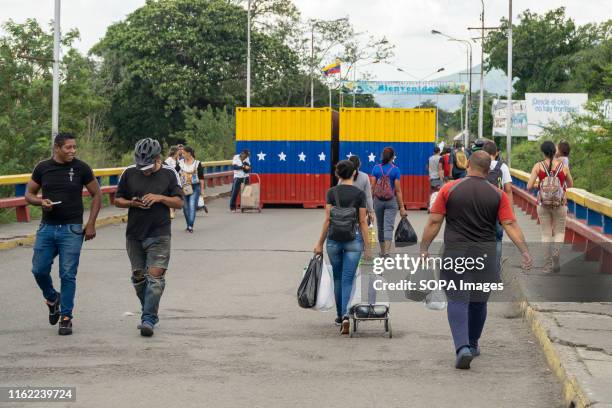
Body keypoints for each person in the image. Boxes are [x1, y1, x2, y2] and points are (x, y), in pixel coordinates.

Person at [420, 151, 532, 369]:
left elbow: (434, 221)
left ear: (468, 165)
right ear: (489, 170)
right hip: (485, 254)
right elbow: (510, 224)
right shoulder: (498, 194)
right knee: (479, 301)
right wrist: (525, 250)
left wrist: (424, 248)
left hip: (455, 252)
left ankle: (462, 347)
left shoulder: (449, 188)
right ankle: (472, 344)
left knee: (458, 299)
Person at [25, 132, 102, 335]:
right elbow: (29, 194)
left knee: (68, 274)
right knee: (38, 270)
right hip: (47, 228)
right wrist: (40, 202)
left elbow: (97, 193)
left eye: (74, 147)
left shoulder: (81, 168)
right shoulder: (42, 168)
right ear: (57, 148)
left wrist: (91, 223)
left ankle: (66, 317)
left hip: (72, 229)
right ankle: (52, 298)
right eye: (68, 147)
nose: (73, 151)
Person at [114, 138, 184, 337]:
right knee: (139, 277)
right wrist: (132, 203)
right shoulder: (128, 173)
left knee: (155, 277)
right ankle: (150, 311)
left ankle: (148, 319)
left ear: (158, 159)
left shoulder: (170, 173)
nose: (144, 171)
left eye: (147, 167)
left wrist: (160, 198)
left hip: (159, 233)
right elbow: (118, 200)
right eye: (140, 166)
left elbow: (179, 203)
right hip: (134, 234)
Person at [314, 160, 371, 334]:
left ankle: (339, 316)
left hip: (333, 240)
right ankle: (347, 314)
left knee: (337, 278)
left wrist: (319, 243)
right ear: (354, 173)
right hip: (353, 240)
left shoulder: (331, 192)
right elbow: (362, 222)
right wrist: (368, 248)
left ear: (337, 174)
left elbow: (328, 220)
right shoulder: (360, 194)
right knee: (348, 279)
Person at [527, 140, 573, 273]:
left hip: (543, 204)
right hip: (561, 203)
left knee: (546, 233)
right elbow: (570, 184)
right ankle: (556, 254)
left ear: (543, 152)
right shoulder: (563, 166)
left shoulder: (538, 166)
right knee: (559, 232)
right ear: (555, 151)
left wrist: (542, 185)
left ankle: (547, 265)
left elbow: (529, 186)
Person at [483, 140, 514, 274]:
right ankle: (495, 273)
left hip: (481, 209)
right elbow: (508, 190)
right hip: (498, 209)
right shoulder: (503, 167)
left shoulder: (480, 165)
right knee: (497, 239)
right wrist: (510, 212)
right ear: (496, 153)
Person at [371, 147, 407, 257]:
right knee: (388, 226)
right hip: (391, 201)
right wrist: (402, 207)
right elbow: (398, 190)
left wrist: (369, 206)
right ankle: (386, 252)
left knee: (380, 226)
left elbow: (372, 187)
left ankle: (382, 251)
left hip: (378, 201)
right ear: (392, 157)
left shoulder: (376, 168)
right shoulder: (395, 170)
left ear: (382, 156)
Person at [177, 146, 206, 232]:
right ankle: (188, 224)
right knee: (185, 207)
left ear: (189, 154)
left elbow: (201, 178)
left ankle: (190, 226)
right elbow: (174, 173)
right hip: (184, 187)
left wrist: (202, 190)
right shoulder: (180, 163)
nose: (182, 155)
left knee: (192, 206)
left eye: (184, 153)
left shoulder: (197, 163)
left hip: (195, 187)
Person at [348, 155, 374, 220]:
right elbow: (368, 196)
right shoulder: (365, 176)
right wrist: (371, 211)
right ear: (359, 164)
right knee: (361, 227)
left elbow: (339, 193)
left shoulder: (343, 177)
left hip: (346, 208)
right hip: (361, 209)